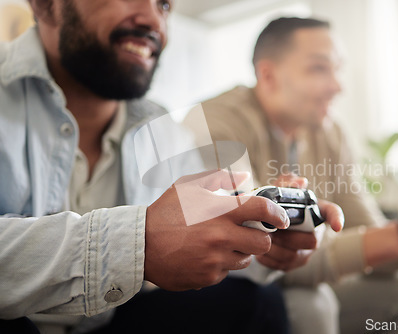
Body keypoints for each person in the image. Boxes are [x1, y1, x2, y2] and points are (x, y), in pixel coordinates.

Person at [0, 3, 351, 334]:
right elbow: (149, 241)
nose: (154, 21)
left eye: (164, 4)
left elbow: (193, 234)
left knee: (259, 303)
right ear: (45, 3)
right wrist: (138, 243)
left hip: (110, 322)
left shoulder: (160, 126)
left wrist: (258, 238)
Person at [184, 17, 398, 334]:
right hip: (234, 289)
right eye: (319, 68)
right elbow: (258, 254)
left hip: (299, 278)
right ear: (268, 75)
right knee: (312, 303)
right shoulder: (215, 122)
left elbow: (372, 233)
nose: (337, 86)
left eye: (337, 69)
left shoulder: (330, 132)